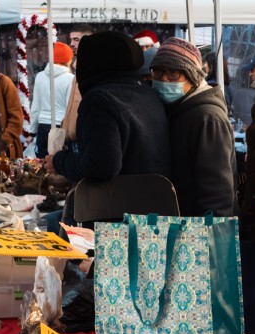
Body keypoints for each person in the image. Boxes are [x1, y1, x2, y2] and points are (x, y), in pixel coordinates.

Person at [46, 31, 170, 185]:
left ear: (93, 61)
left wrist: (59, 161)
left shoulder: (100, 100)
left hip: (118, 203)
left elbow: (101, 166)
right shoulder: (146, 92)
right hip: (155, 198)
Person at [150, 37, 235, 216]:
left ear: (192, 76)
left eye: (173, 73)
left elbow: (217, 192)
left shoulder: (208, 118)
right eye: (157, 72)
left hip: (199, 232)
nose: (164, 79)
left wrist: (210, 238)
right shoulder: (176, 109)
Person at [29, 42, 75, 158]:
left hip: (43, 126)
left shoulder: (40, 76)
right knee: (57, 167)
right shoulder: (70, 79)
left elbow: (35, 107)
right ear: (68, 60)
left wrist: (32, 131)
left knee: (42, 165)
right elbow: (70, 107)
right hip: (60, 127)